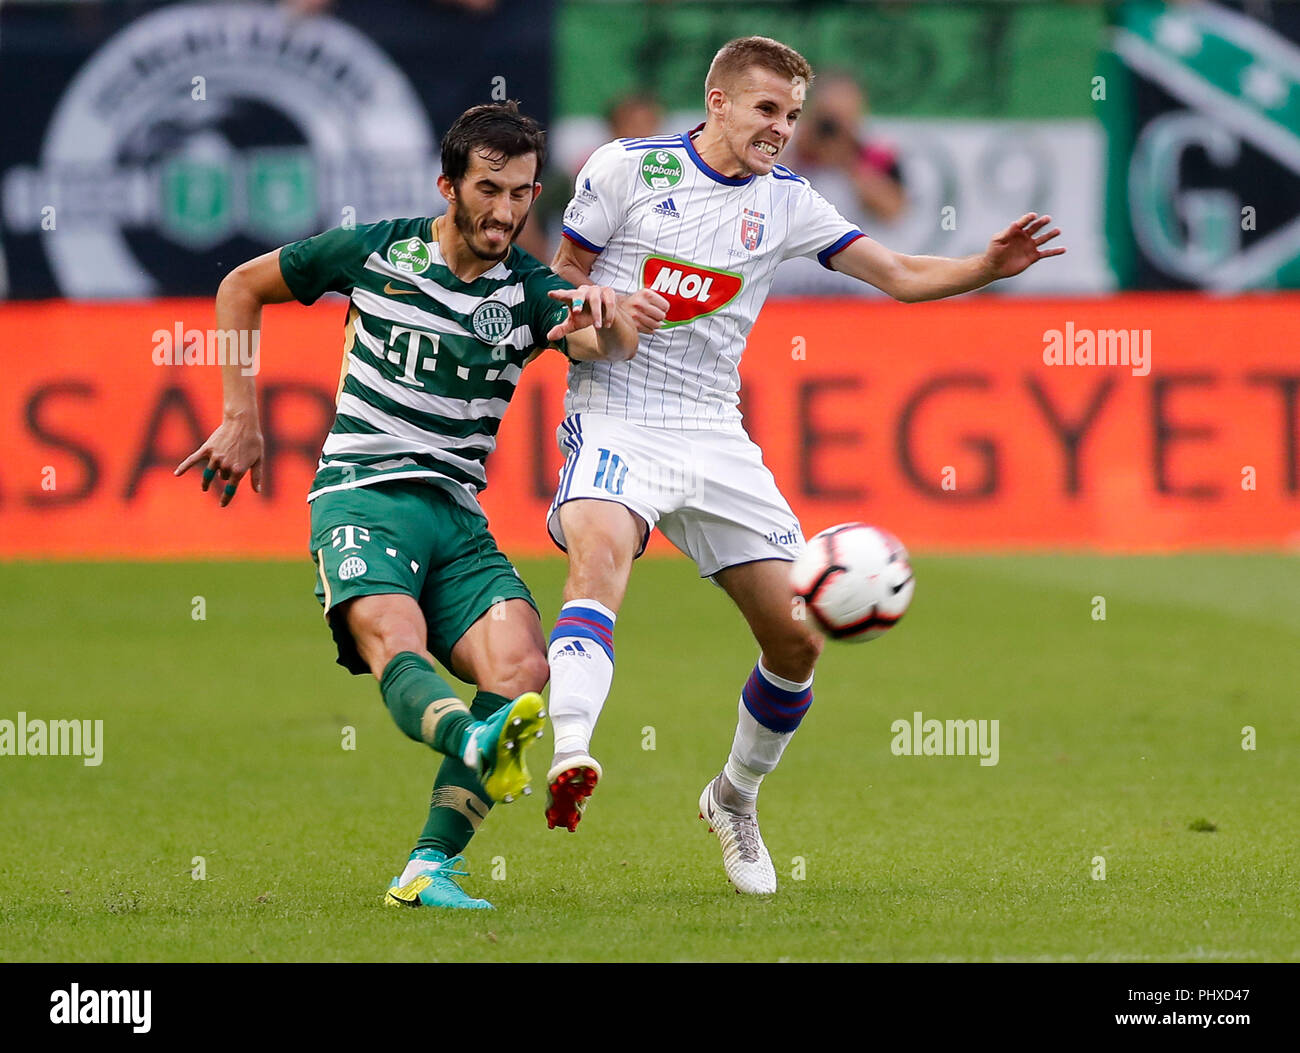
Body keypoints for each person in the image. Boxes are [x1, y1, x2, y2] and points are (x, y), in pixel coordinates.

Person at [542, 36, 1064, 894]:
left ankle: (734, 797)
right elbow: (558, 286)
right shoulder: (625, 170)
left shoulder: (787, 202)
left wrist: (984, 266)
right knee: (597, 558)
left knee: (796, 636)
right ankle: (571, 752)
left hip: (713, 431)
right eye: (765, 109)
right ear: (715, 101)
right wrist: (596, 319)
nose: (781, 129)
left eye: (790, 114)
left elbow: (896, 271)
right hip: (616, 416)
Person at [176, 102, 657, 910]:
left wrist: (613, 320)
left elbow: (597, 342)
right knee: (392, 637)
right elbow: (239, 287)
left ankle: (428, 865)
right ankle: (470, 741)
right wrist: (239, 414)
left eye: (522, 194)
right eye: (490, 189)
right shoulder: (376, 250)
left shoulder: (533, 289)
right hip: (363, 495)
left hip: (456, 518)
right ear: (449, 185)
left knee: (524, 669)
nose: (506, 211)